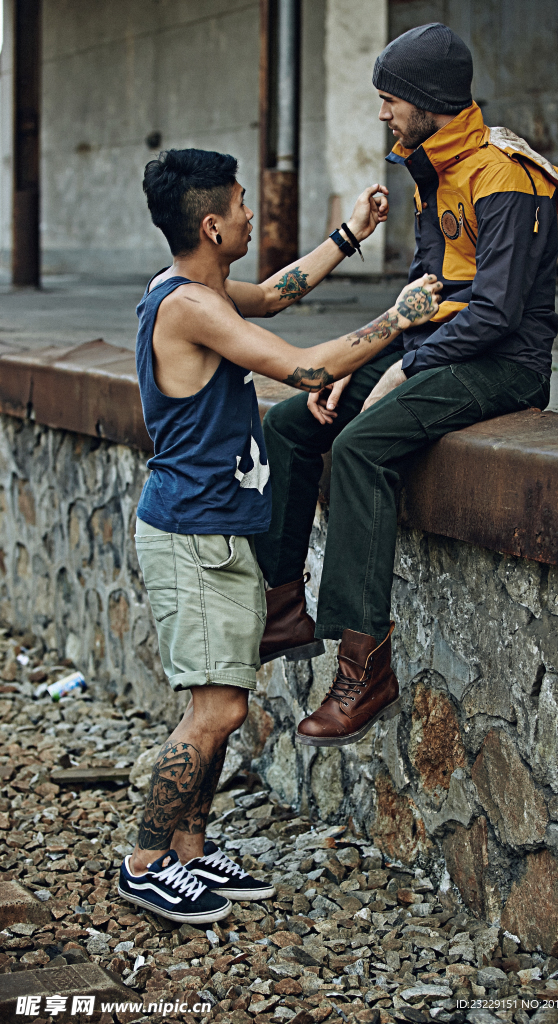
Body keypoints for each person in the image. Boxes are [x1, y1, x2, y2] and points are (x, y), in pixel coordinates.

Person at [117, 147, 442, 924]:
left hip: (220, 530)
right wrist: (396, 320)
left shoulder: (208, 290)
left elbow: (276, 293)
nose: (248, 216)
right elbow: (301, 369)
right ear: (209, 223)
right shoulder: (187, 308)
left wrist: (349, 235)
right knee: (217, 710)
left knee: (223, 696)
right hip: (191, 536)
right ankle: (143, 861)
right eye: (238, 205)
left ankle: (191, 853)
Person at [254, 23, 558, 748]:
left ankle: (363, 668)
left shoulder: (505, 174)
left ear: (427, 99)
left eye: (388, 99)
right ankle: (282, 610)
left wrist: (401, 370)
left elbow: (495, 313)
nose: (382, 114)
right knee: (289, 422)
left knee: (363, 446)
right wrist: (358, 363)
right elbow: (424, 289)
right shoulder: (432, 164)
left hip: (503, 363)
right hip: (439, 346)